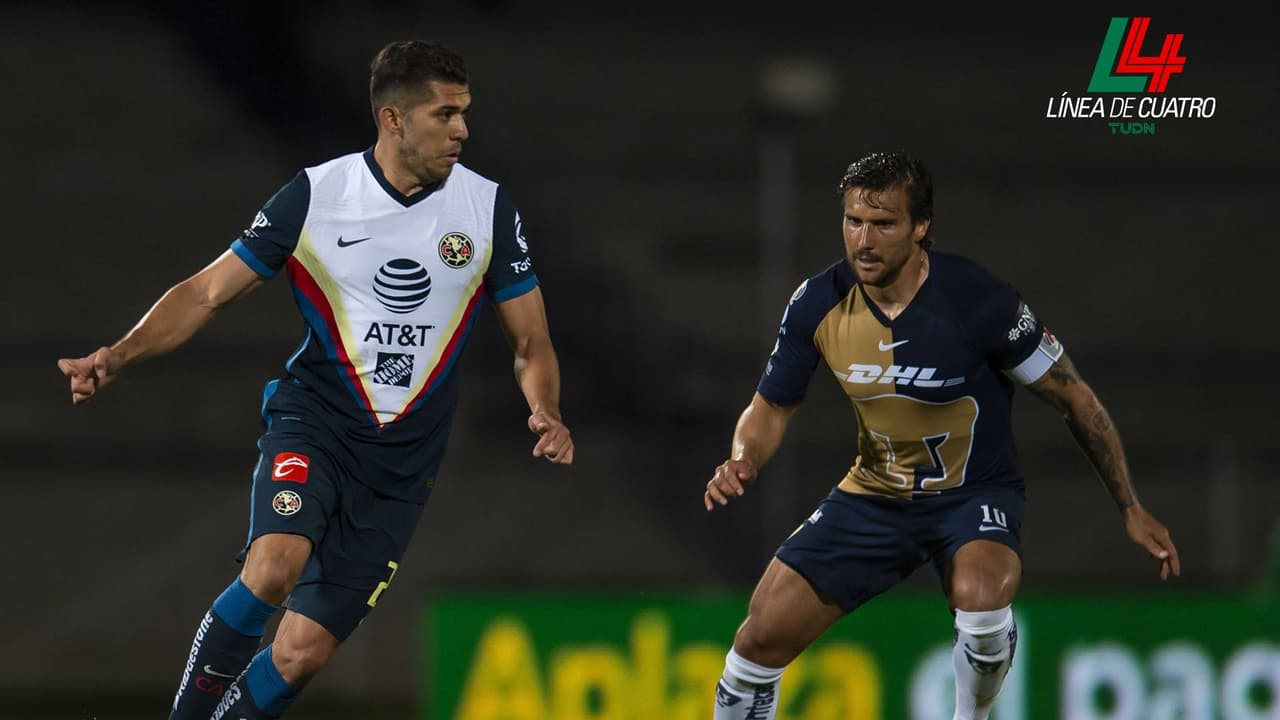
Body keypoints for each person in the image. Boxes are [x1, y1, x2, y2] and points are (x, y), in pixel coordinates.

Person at [57, 40, 574, 720]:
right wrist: (119, 354)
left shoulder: (486, 209)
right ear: (393, 119)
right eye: (445, 115)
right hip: (317, 423)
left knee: (301, 654)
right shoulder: (318, 195)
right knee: (274, 567)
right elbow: (208, 292)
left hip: (401, 467)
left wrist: (545, 408)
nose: (462, 131)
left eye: (464, 113)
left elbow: (530, 339)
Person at [703, 150, 1178, 720]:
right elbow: (771, 407)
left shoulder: (979, 302)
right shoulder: (818, 303)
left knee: (982, 607)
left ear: (920, 226)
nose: (863, 241)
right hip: (874, 495)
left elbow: (1074, 398)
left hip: (971, 496)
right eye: (854, 221)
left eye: (884, 224)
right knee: (755, 643)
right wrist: (743, 458)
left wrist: (1129, 505)